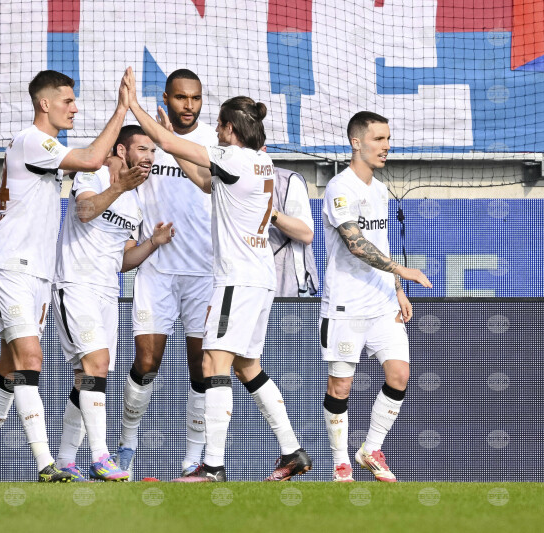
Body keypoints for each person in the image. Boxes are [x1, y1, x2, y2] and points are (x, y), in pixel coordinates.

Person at [121, 67, 312, 482]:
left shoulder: (232, 156)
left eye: (221, 127)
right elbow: (205, 182)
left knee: (213, 362)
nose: (217, 133)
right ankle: (292, 450)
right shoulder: (260, 161)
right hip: (259, 276)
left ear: (229, 129)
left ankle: (211, 466)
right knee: (248, 366)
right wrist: (172, 143)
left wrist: (133, 105)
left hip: (236, 279)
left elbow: (169, 142)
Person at [0, 70, 130, 482]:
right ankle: (46, 466)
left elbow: (88, 160)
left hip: (39, 274)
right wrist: (122, 109)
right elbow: (92, 159)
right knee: (31, 359)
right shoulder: (33, 140)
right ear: (44, 103)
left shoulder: (47, 149)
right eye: (68, 101)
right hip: (12, 265)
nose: (75, 108)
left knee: (9, 369)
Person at [52, 125, 175, 482]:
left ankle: (64, 461)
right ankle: (101, 457)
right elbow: (85, 210)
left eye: (153, 151)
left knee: (87, 377)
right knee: (98, 364)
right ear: (122, 151)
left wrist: (152, 243)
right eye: (142, 149)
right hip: (75, 285)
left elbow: (123, 261)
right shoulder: (93, 174)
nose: (149, 157)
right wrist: (119, 186)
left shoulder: (136, 202)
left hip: (108, 292)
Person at [114, 69, 217, 479]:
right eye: (180, 97)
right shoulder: (147, 142)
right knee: (146, 362)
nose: (188, 105)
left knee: (201, 367)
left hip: (203, 273)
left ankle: (193, 460)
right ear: (167, 99)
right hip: (156, 270)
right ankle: (127, 447)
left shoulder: (211, 142)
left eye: (195, 98)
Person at [320, 111, 432, 482]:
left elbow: (380, 243)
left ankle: (370, 449)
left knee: (399, 374)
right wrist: (402, 270)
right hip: (346, 304)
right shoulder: (340, 187)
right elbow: (355, 243)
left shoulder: (380, 190)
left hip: (383, 301)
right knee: (341, 386)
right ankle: (341, 462)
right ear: (356, 143)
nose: (386, 146)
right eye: (379, 139)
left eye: (388, 139)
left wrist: (397, 288)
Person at [269, 167, 319, 297]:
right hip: (245, 285)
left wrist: (269, 212)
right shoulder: (227, 182)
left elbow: (306, 234)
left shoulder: (288, 180)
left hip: (288, 290)